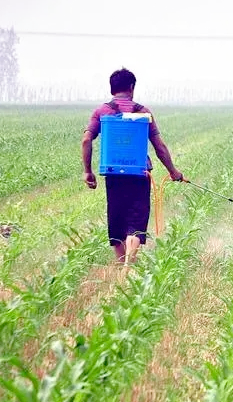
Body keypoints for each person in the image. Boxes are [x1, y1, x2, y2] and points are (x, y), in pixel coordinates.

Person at [82, 68, 183, 265]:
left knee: (117, 221)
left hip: (113, 175)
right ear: (131, 88)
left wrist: (88, 171)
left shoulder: (101, 112)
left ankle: (122, 267)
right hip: (140, 175)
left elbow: (86, 140)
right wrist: (173, 172)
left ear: (112, 89)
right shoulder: (143, 113)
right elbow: (159, 146)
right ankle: (129, 265)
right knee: (135, 223)